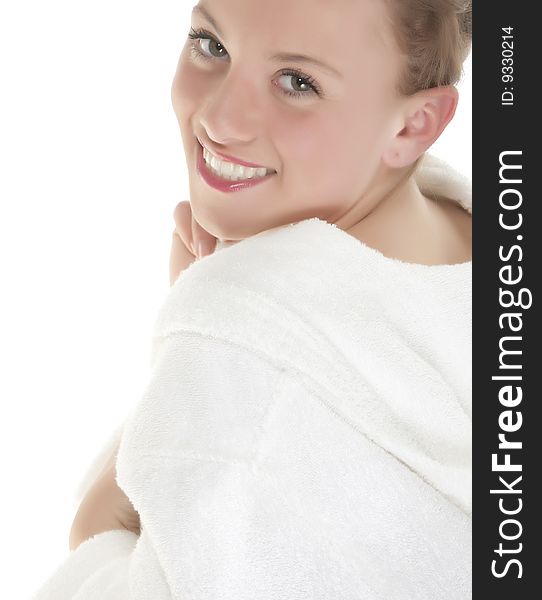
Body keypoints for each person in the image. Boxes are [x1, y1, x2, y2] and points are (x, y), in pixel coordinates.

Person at [33, 1, 472, 599]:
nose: (220, 117)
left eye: (297, 82)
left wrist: (97, 520)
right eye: (211, 44)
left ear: (414, 124)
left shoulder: (240, 339)